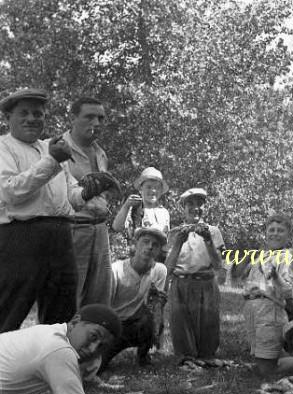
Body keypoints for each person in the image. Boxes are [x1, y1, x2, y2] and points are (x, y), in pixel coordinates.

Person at [0, 89, 113, 332]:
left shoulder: (49, 147)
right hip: (20, 237)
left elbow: (69, 194)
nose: (32, 118)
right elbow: (9, 192)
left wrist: (89, 190)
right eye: (24, 113)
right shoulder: (4, 147)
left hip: (61, 237)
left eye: (38, 113)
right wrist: (51, 160)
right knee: (9, 310)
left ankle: (52, 364)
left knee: (61, 314)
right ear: (8, 117)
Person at [0, 304, 121, 394]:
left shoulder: (48, 332)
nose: (92, 349)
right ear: (75, 322)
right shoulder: (59, 350)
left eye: (101, 347)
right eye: (93, 336)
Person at [63, 96, 113, 308]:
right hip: (72, 231)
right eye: (89, 116)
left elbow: (102, 196)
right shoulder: (57, 149)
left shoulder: (101, 153)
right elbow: (58, 195)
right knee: (66, 301)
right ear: (73, 118)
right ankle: (60, 341)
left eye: (100, 118)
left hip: (100, 230)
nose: (96, 123)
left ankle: (90, 341)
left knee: (99, 301)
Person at [164, 188, 225, 362]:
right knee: (180, 321)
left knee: (209, 320)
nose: (195, 208)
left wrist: (208, 241)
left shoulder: (213, 231)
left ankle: (207, 355)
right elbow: (167, 267)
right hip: (181, 281)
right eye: (190, 204)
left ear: (205, 207)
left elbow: (218, 264)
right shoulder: (175, 232)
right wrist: (177, 243)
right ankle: (185, 358)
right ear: (183, 208)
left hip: (206, 281)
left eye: (199, 203)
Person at [99, 227, 167, 372]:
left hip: (135, 323)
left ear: (159, 251)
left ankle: (144, 355)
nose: (149, 247)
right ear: (136, 244)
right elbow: (103, 308)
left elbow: (157, 306)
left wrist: (159, 305)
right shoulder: (115, 270)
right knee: (96, 366)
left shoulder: (159, 271)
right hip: (112, 325)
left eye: (155, 245)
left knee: (150, 316)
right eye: (145, 242)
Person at [241, 214, 293, 377]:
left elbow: (288, 291)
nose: (275, 233)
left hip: (270, 310)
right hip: (254, 309)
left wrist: (274, 275)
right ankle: (276, 358)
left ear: (288, 236)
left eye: (280, 231)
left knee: (265, 370)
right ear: (266, 233)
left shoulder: (287, 256)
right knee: (263, 352)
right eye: (271, 230)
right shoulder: (263, 254)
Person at [112, 166, 170, 260]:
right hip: (137, 258)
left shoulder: (164, 212)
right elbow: (116, 227)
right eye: (149, 187)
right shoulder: (134, 208)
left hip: (158, 259)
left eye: (157, 188)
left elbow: (166, 238)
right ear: (141, 189)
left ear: (161, 191)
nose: (153, 191)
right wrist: (126, 206)